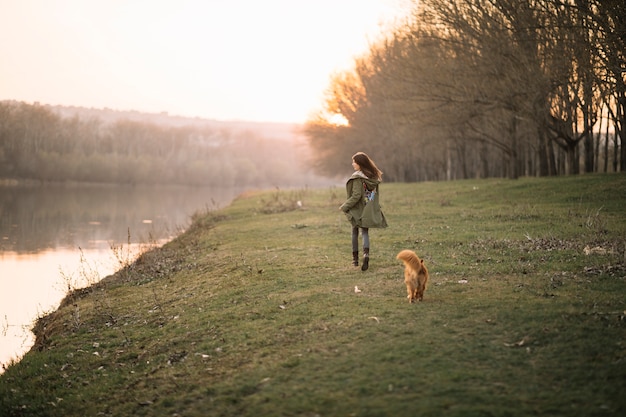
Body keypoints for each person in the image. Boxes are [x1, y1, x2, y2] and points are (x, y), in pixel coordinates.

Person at [340, 152, 388, 271]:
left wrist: (345, 206)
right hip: (368, 208)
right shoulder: (372, 177)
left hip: (357, 208)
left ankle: (355, 260)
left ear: (360, 164)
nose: (352, 164)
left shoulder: (358, 178)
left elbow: (356, 196)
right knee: (365, 232)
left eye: (354, 162)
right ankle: (366, 255)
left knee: (355, 232)